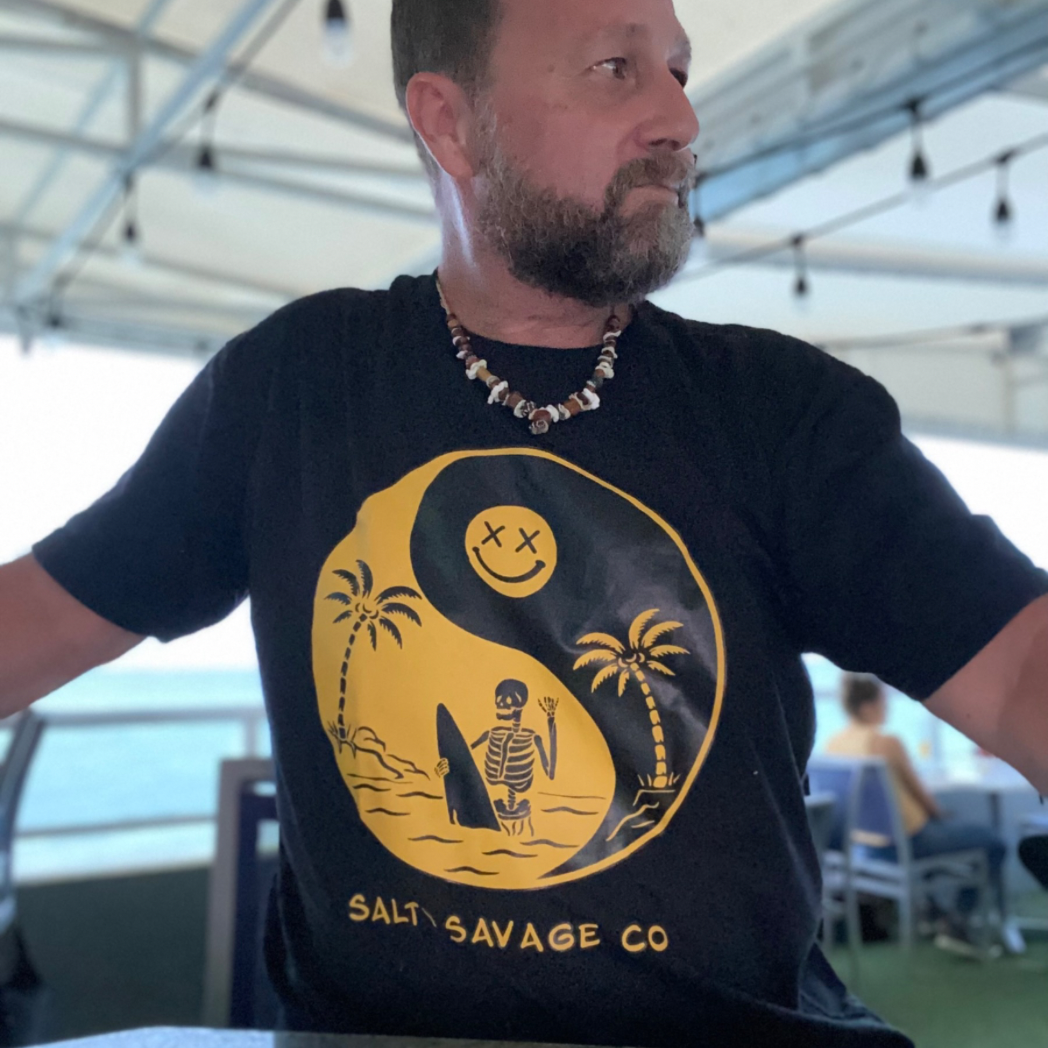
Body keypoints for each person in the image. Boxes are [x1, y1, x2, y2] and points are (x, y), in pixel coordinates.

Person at [1, 1, 1047, 1045]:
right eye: (615, 68)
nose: (680, 118)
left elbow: (1013, 674)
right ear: (450, 124)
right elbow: (39, 619)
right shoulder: (295, 389)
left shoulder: (781, 412)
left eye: (678, 71)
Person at [826, 674, 1008, 947]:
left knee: (946, 840)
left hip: (864, 847)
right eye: (882, 702)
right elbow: (921, 796)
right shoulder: (885, 742)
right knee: (994, 842)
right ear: (867, 706)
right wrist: (940, 814)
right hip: (906, 841)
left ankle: (935, 913)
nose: (886, 708)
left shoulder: (834, 744)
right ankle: (957, 920)